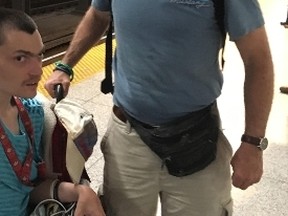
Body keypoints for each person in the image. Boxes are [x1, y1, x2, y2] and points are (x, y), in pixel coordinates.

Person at [44, 0, 274, 215]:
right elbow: (97, 15)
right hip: (128, 135)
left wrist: (253, 143)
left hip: (198, 139)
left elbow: (258, 59)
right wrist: (65, 65)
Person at [0, 8, 105, 216]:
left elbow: (26, 189)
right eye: (20, 58)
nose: (38, 70)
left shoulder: (32, 115)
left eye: (39, 56)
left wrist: (81, 192)